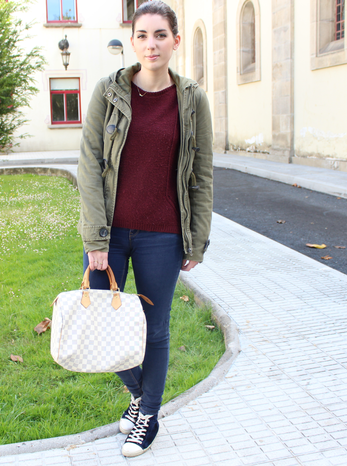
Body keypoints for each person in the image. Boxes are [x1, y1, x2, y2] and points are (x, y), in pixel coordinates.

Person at [77, 0, 213, 458]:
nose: (151, 44)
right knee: (101, 322)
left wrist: (196, 239)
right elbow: (89, 166)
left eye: (160, 35)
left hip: (163, 235)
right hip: (110, 234)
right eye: (142, 35)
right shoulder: (109, 91)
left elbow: (202, 173)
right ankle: (140, 396)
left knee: (154, 331)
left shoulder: (191, 99)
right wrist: (96, 238)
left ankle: (148, 415)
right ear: (133, 41)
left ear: (175, 41)